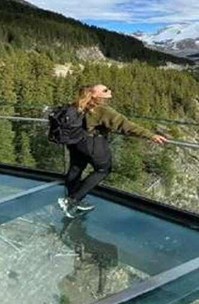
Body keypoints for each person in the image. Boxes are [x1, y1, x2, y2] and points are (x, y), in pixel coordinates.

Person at [57, 83, 167, 218]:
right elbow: (125, 125)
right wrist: (150, 135)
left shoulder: (77, 104)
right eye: (105, 90)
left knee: (76, 167)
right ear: (95, 95)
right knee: (103, 169)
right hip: (93, 143)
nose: (109, 90)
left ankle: (71, 196)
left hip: (75, 142)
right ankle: (73, 200)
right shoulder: (102, 110)